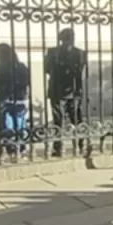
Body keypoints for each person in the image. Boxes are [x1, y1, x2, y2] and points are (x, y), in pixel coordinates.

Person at [45, 28, 87, 156]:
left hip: (64, 89)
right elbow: (81, 70)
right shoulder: (79, 53)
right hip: (69, 90)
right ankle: (78, 146)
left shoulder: (53, 52)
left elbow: (47, 69)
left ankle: (63, 147)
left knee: (63, 119)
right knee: (73, 119)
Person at [0, 43, 31, 158]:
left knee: (6, 125)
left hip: (3, 99)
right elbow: (27, 81)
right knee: (20, 125)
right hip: (20, 98)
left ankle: (11, 151)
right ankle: (21, 148)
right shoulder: (21, 66)